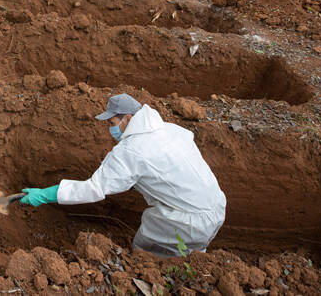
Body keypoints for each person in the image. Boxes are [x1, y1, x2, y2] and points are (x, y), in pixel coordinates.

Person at [20, 93, 226, 257]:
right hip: (216, 206)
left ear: (128, 118)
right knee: (192, 258)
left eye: (112, 122)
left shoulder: (131, 150)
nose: (111, 128)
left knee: (147, 256)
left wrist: (45, 194)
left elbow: (94, 188)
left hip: (186, 221)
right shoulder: (172, 130)